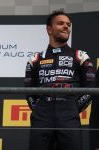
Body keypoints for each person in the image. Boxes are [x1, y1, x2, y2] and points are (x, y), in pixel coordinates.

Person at [24, 10, 96, 150]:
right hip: (42, 117)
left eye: (68, 24)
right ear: (49, 29)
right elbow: (28, 91)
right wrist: (40, 108)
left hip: (69, 116)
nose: (66, 27)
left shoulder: (80, 56)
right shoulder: (35, 59)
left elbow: (90, 88)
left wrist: (73, 108)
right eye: (60, 23)